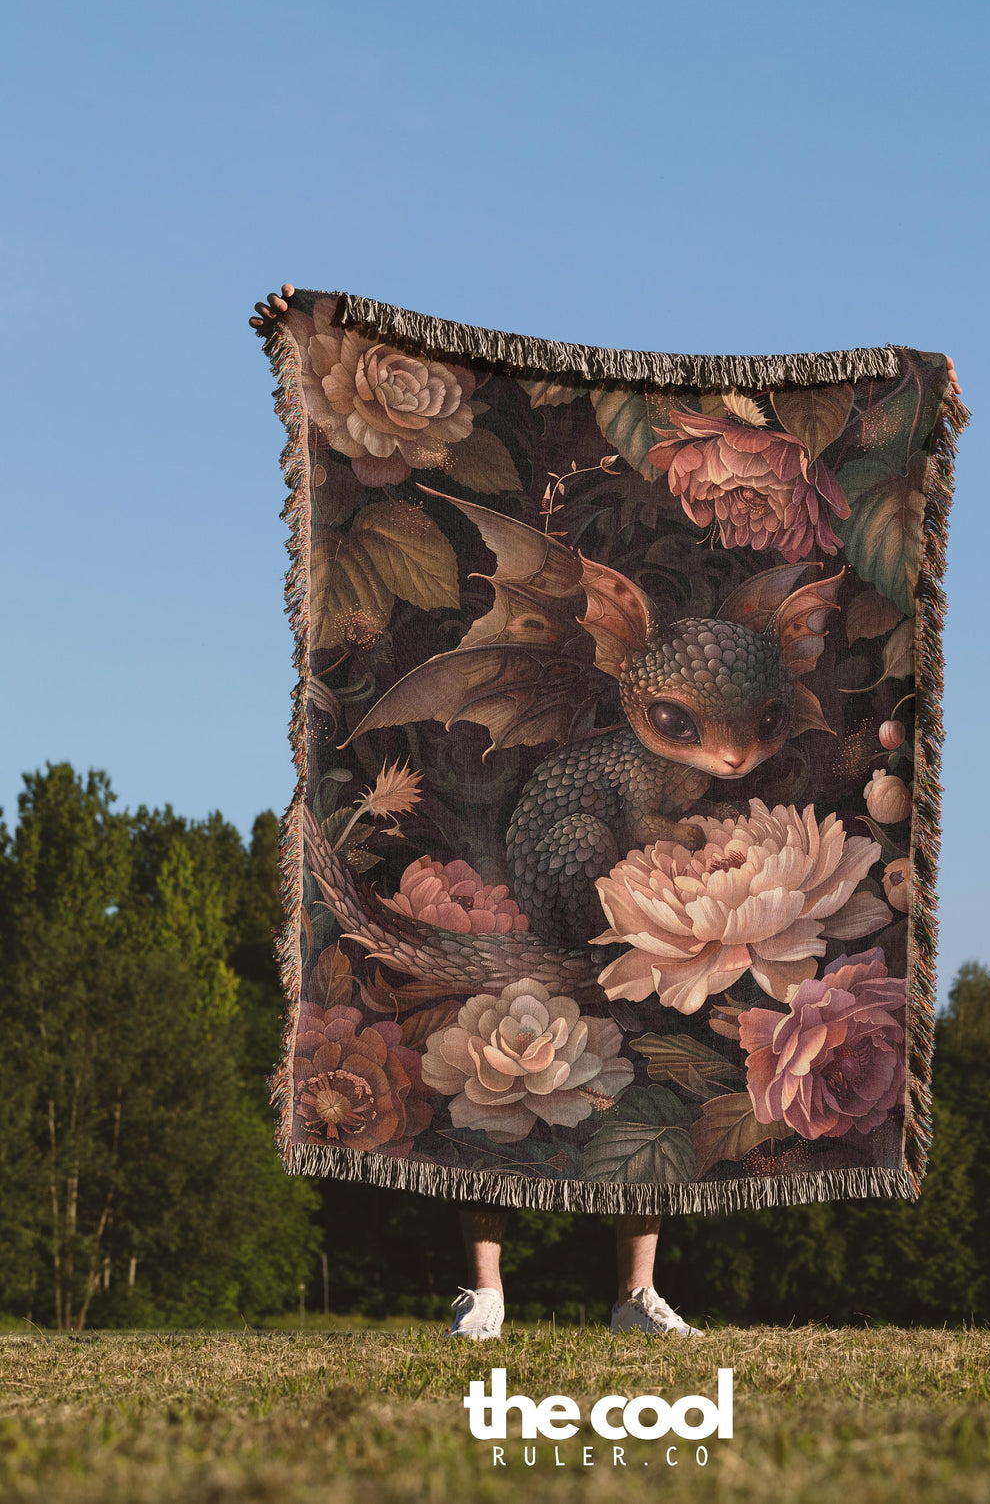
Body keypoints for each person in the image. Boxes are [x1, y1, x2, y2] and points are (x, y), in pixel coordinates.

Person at [252, 284, 705, 1339]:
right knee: (482, 1053)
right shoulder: (532, 566)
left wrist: (910, 396)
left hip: (613, 852)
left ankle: (636, 1290)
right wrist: (304, 329)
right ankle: (487, 1289)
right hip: (488, 801)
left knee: (637, 1056)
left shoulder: (652, 558)